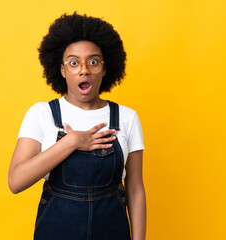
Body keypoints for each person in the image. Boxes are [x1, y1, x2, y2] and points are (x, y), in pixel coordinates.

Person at [8, 12, 146, 240]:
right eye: (74, 63)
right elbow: (16, 181)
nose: (84, 69)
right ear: (62, 70)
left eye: (93, 61)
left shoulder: (127, 118)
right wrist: (72, 142)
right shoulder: (41, 114)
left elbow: (135, 190)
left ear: (104, 68)